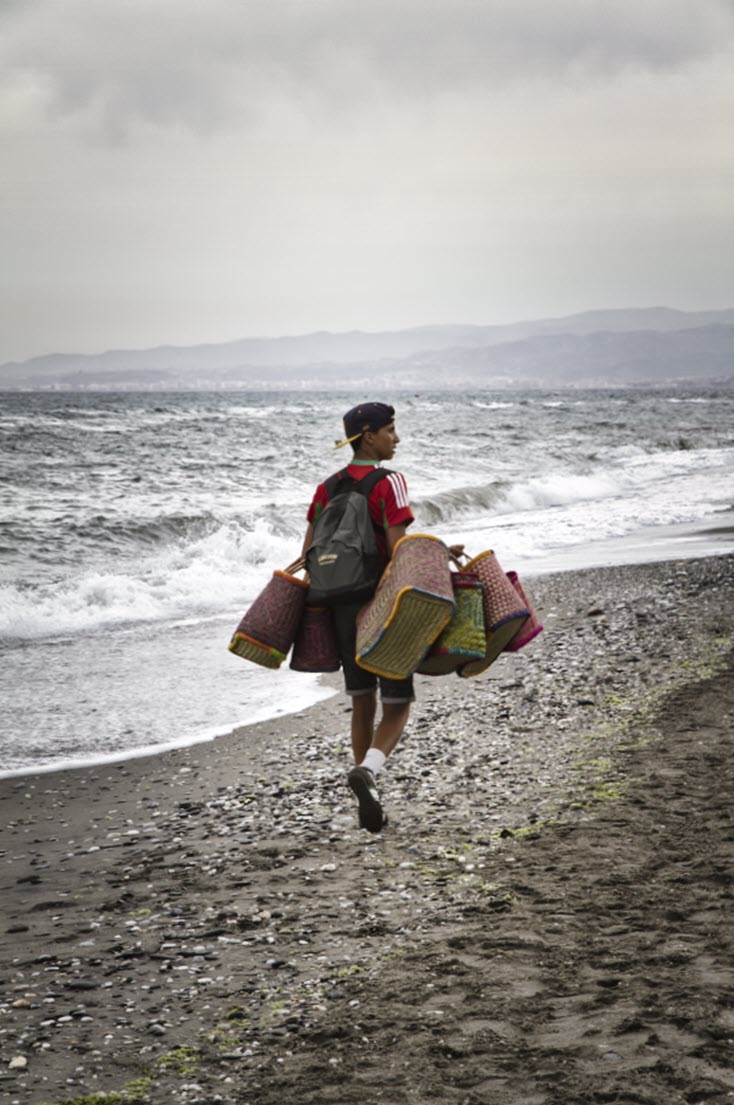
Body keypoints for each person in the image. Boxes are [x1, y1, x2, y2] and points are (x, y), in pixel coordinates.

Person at [301, 402, 414, 833]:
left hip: (339, 604)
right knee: (398, 703)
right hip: (380, 604)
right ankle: (368, 772)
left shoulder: (326, 487)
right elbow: (399, 551)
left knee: (361, 700)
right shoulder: (391, 482)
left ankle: (368, 789)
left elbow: (308, 551)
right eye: (390, 431)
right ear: (369, 436)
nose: (396, 439)